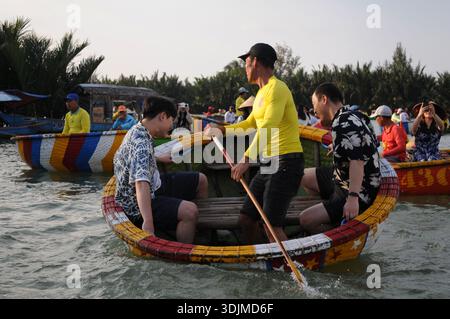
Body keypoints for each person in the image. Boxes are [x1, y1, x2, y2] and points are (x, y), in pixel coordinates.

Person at [206, 43, 304, 244]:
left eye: (246, 63)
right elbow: (250, 123)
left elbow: (268, 125)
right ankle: (260, 259)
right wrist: (222, 129)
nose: (245, 68)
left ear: (256, 62)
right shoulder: (261, 93)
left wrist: (247, 158)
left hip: (286, 161)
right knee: (246, 219)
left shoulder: (278, 88)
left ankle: (290, 268)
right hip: (269, 163)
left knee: (271, 226)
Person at [114, 96, 209, 244]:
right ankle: (183, 253)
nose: (172, 125)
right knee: (190, 211)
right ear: (162, 116)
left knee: (201, 180)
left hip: (154, 184)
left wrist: (157, 157)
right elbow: (140, 184)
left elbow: (138, 160)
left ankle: (197, 229)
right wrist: (148, 221)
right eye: (171, 120)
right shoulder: (141, 144)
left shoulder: (138, 129)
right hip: (138, 204)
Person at [300, 83, 380, 234]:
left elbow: (357, 161)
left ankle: (335, 229)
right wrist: (337, 145)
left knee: (305, 220)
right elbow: (370, 144)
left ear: (324, 99)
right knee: (303, 176)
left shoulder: (342, 123)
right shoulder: (355, 114)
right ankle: (329, 207)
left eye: (314, 104)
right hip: (341, 177)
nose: (314, 111)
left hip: (357, 188)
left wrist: (352, 198)